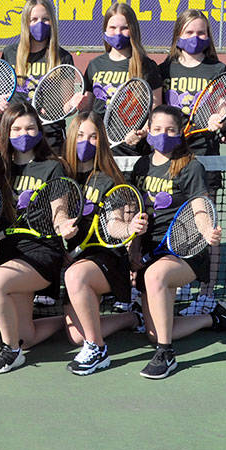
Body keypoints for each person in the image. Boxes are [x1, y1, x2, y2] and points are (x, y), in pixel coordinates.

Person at [130, 106, 226, 380]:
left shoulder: (190, 165)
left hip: (184, 252)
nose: (163, 135)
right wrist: (134, 251)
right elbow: (139, 212)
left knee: (156, 276)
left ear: (180, 132)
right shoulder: (141, 166)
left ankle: (165, 354)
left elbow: (199, 204)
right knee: (155, 330)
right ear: (148, 131)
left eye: (170, 130)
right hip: (152, 252)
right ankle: (215, 317)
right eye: (157, 129)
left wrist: (207, 230)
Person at [0, 102, 78, 373]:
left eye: (30, 127)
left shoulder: (53, 167)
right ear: (5, 131)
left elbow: (60, 211)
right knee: (27, 336)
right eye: (17, 128)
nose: (24, 133)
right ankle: (68, 319)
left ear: (39, 130)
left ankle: (10, 351)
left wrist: (63, 226)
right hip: (10, 252)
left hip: (42, 252)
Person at [158, 9, 226, 317]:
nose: (195, 38)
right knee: (177, 221)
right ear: (177, 37)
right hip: (173, 159)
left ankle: (207, 291)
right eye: (188, 33)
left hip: (204, 158)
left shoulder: (218, 69)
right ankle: (182, 277)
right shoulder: (166, 69)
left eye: (201, 33)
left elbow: (223, 108)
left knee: (206, 225)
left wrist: (219, 119)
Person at [61, 111, 138, 375]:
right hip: (74, 257)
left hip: (106, 260)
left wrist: (129, 228)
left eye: (94, 136)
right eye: (80, 135)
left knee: (74, 275)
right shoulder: (61, 175)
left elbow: (116, 225)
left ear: (102, 140)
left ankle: (97, 348)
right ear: (71, 137)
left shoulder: (109, 180)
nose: (86, 141)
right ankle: (131, 317)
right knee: (75, 336)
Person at [82, 1, 163, 156]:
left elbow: (155, 110)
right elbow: (87, 108)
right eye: (112, 28)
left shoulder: (147, 66)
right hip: (100, 150)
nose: (117, 33)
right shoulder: (95, 65)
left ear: (133, 30)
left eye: (124, 28)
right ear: (105, 30)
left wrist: (142, 132)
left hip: (133, 151)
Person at [1, 0, 76, 153]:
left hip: (51, 136)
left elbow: (67, 105)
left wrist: (74, 104)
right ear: (25, 23)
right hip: (18, 135)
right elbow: (3, 99)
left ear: (52, 23)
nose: (39, 24)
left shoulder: (63, 57)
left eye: (45, 19)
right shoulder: (10, 53)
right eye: (33, 19)